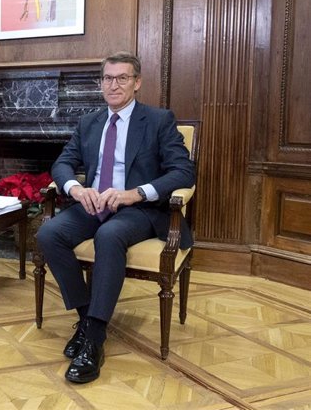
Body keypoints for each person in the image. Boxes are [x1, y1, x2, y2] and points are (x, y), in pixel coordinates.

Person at [36, 52, 195, 383]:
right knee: (49, 234)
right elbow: (63, 163)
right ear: (101, 83)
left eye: (123, 78)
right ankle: (87, 320)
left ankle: (93, 342)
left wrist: (135, 193)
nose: (114, 85)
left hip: (138, 209)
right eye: (108, 78)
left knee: (109, 237)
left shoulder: (158, 120)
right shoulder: (90, 122)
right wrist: (77, 190)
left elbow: (184, 171)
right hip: (94, 204)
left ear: (137, 83)